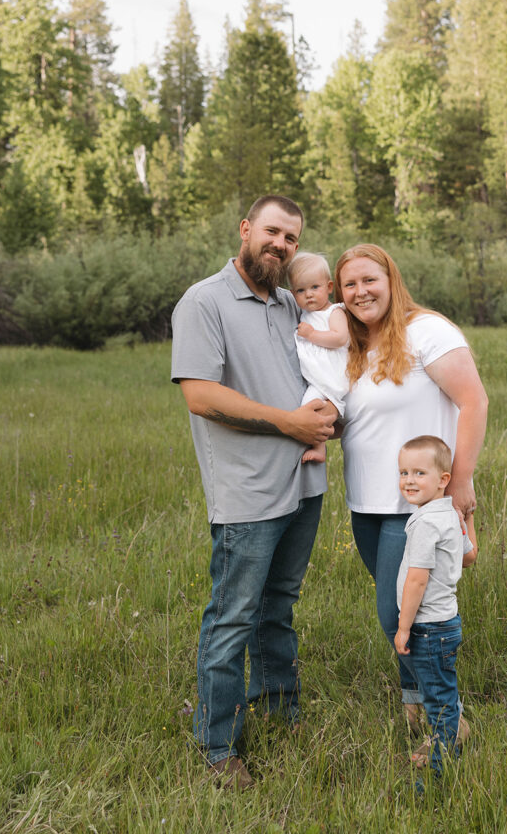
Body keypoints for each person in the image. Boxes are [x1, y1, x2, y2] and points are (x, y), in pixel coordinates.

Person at [171, 195, 337, 790]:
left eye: (292, 238)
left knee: (280, 605)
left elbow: (326, 369)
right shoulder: (205, 300)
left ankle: (278, 709)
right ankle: (218, 745)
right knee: (232, 615)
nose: (281, 245)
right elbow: (201, 396)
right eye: (272, 232)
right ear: (245, 229)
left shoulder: (292, 302)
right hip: (247, 492)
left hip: (303, 483)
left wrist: (328, 413)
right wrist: (290, 423)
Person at [334, 243, 488, 734]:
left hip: (417, 507)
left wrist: (459, 482)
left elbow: (474, 401)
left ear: (390, 279)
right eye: (350, 285)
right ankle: (414, 707)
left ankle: (451, 721)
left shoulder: (427, 331)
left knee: (402, 613)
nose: (361, 292)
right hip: (367, 505)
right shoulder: (356, 346)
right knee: (399, 611)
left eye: (369, 280)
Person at [394, 435, 478, 778]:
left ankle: (440, 769)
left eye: (419, 473)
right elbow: (470, 556)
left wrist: (403, 626)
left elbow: (417, 580)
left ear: (444, 480)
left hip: (428, 628)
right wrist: (467, 517)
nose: (409, 480)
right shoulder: (447, 515)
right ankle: (447, 744)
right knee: (443, 688)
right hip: (447, 624)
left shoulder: (427, 523)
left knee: (438, 700)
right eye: (403, 473)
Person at [287, 252, 350, 463]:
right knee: (308, 407)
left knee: (314, 409)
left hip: (332, 373)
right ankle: (319, 447)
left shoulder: (334, 312)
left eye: (315, 287)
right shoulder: (303, 315)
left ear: (329, 287)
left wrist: (312, 335)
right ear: (292, 294)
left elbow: (340, 338)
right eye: (301, 290)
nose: (309, 295)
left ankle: (319, 447)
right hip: (316, 378)